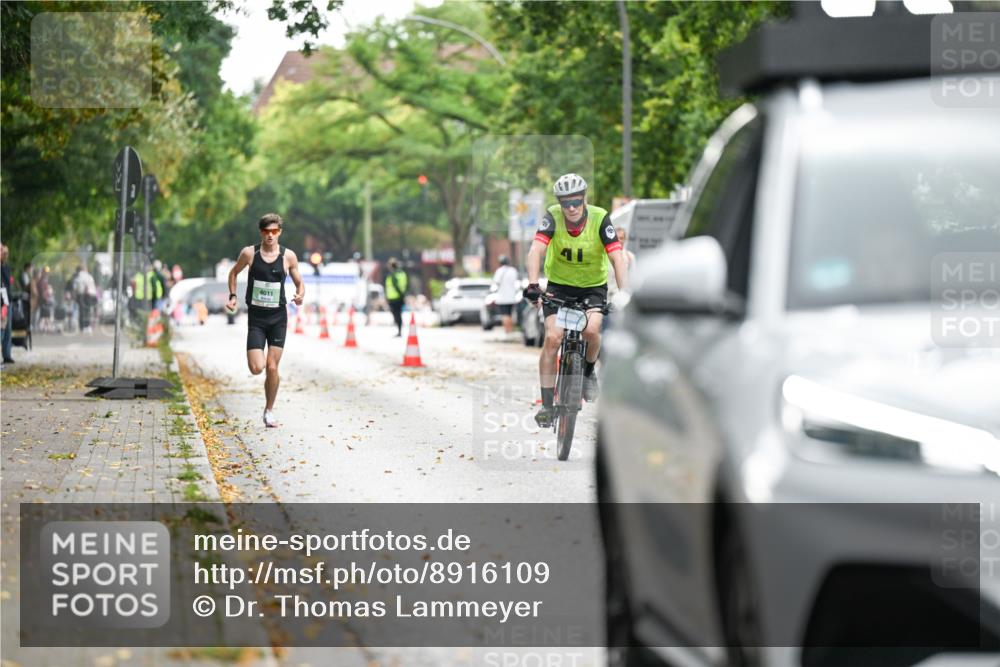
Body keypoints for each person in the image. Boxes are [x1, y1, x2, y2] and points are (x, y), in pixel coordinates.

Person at [524, 174, 629, 427]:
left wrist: (625, 293)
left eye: (576, 202)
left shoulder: (600, 217)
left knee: (592, 331)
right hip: (559, 287)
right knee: (552, 338)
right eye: (565, 203)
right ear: (559, 203)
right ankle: (547, 405)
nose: (571, 208)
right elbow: (536, 249)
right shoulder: (552, 217)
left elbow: (617, 257)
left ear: (584, 199)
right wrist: (533, 284)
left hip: (592, 288)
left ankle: (589, 372)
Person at [226, 213, 305, 428]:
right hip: (257, 319)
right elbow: (233, 273)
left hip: (278, 317)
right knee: (256, 367)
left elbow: (300, 283)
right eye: (266, 231)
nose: (270, 235)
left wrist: (300, 295)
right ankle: (268, 406)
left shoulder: (288, 257)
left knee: (271, 367)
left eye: (274, 231)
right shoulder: (249, 253)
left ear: (279, 232)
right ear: (261, 232)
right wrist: (233, 296)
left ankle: (269, 410)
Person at [491, 255, 520, 337]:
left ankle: (507, 331)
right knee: (510, 314)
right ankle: (510, 330)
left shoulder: (499, 271)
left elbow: (496, 282)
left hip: (502, 297)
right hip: (511, 296)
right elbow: (515, 282)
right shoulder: (513, 270)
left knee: (504, 314)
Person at [384, 257, 408, 337]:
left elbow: (395, 286)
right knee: (398, 314)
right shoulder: (402, 274)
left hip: (394, 298)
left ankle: (399, 330)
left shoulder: (393, 275)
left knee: (396, 314)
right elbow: (405, 285)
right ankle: (399, 330)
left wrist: (400, 295)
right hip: (399, 297)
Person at [73, 264, 97, 333]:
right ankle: (87, 326)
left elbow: (75, 287)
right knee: (87, 311)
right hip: (90, 295)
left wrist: (76, 294)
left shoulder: (78, 276)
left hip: (81, 295)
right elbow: (92, 286)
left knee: (82, 311)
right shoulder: (89, 276)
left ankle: (82, 327)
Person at [1, 244, 13, 363]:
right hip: (2, 302)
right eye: (3, 252)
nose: (5, 255)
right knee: (2, 328)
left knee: (8, 329)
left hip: (7, 300)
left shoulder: (6, 267)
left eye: (6, 253)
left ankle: (7, 355)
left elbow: (9, 282)